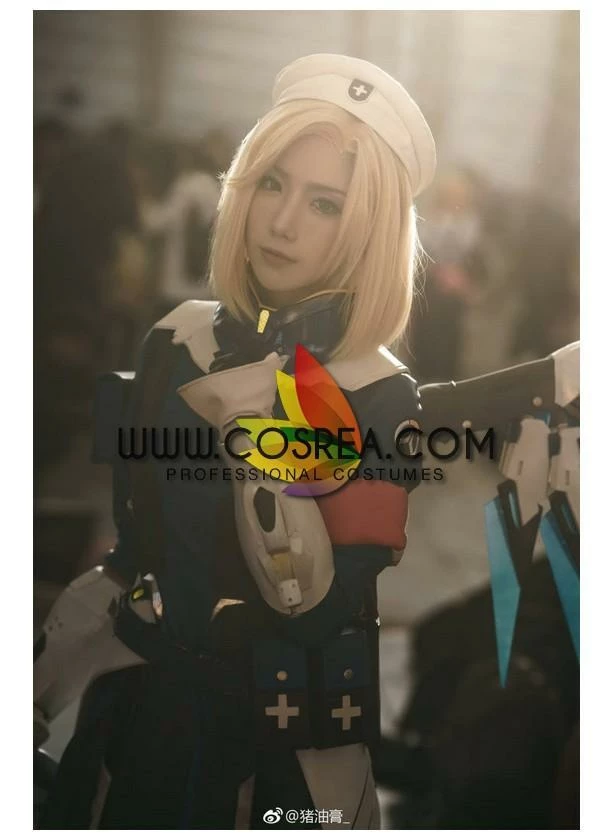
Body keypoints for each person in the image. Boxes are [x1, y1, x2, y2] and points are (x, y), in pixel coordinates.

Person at [35, 54, 579, 830]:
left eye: (326, 203)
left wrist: (268, 431)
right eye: (272, 184)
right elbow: (128, 555)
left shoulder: (380, 396)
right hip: (133, 710)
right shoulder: (175, 339)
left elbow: (313, 607)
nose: (282, 222)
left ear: (369, 230)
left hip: (271, 745)